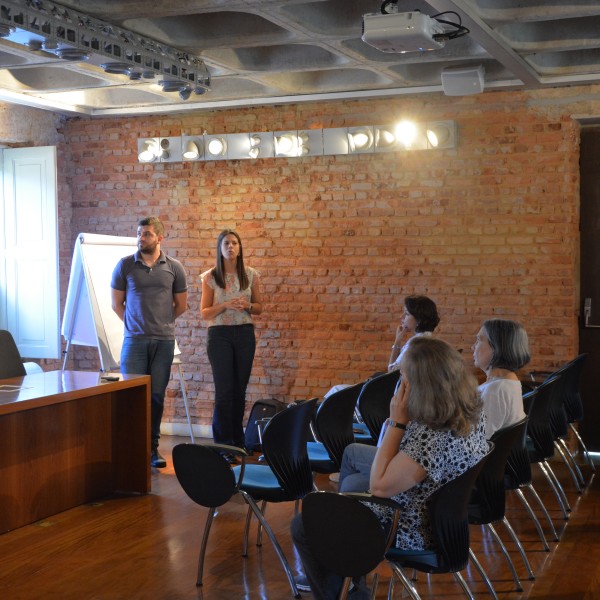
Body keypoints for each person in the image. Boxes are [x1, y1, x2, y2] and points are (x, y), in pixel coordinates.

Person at [291, 337, 488, 600]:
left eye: (403, 378)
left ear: (420, 385)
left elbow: (379, 486)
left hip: (409, 528)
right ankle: (349, 581)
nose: (399, 386)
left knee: (305, 524)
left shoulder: (431, 435)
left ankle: (346, 594)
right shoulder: (466, 413)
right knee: (343, 497)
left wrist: (397, 422)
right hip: (436, 519)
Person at [331, 295, 440, 489]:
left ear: (419, 318)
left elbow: (391, 373)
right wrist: (398, 341)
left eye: (407, 314)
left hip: (399, 406)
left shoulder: (417, 346)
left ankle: (346, 463)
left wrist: (398, 343)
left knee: (337, 394)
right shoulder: (425, 342)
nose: (402, 318)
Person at [111, 216, 188, 468]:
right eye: (139, 233)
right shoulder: (125, 266)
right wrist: (135, 325)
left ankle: (153, 449)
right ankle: (131, 447)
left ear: (159, 238)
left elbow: (181, 306)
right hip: (134, 342)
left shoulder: (174, 267)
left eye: (146, 234)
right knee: (131, 396)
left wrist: (161, 324)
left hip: (164, 342)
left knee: (156, 396)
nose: (141, 238)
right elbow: (116, 304)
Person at [201, 229, 263, 459]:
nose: (230, 247)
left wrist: (246, 305)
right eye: (226, 243)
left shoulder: (250, 274)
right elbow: (205, 313)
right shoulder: (210, 276)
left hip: (244, 333)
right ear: (219, 247)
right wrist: (226, 305)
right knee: (225, 390)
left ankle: (238, 440)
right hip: (219, 336)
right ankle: (223, 444)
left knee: (239, 390)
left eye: (234, 243)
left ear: (240, 247)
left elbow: (259, 307)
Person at [472, 318, 530, 438]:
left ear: (496, 347)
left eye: (478, 340)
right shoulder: (509, 381)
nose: (473, 347)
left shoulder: (495, 391)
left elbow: (479, 441)